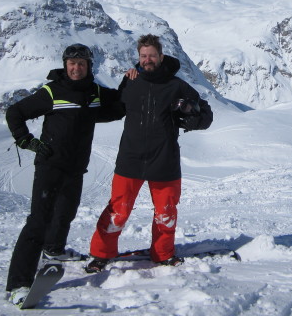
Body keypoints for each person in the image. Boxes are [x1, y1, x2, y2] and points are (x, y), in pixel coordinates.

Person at [5, 43, 122, 305]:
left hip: (76, 166)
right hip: (50, 165)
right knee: (38, 221)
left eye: (81, 63)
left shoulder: (94, 92)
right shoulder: (52, 91)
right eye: (72, 63)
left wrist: (131, 81)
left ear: (89, 66)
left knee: (65, 213)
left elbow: (116, 104)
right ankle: (18, 283)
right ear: (65, 65)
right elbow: (15, 112)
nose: (76, 68)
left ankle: (54, 251)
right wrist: (27, 141)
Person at [85, 34, 213, 272]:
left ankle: (163, 253)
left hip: (164, 160)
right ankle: (101, 254)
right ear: (138, 58)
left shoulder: (177, 86)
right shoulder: (131, 81)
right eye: (143, 56)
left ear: (161, 56)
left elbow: (204, 116)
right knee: (117, 212)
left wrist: (189, 113)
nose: (147, 60)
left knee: (166, 213)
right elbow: (115, 109)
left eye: (152, 55)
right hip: (130, 158)